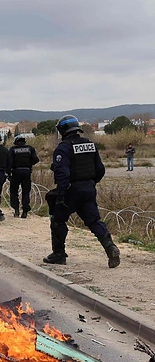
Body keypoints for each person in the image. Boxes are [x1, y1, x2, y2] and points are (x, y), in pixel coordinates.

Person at [43, 115, 120, 268]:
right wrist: (90, 183)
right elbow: (100, 169)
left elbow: (63, 174)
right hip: (89, 189)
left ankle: (59, 254)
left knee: (58, 220)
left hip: (71, 190)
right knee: (94, 221)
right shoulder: (90, 145)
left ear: (63, 130)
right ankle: (110, 247)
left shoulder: (63, 148)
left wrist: (61, 196)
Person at [7, 135, 39, 217]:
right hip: (26, 172)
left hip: (16, 172)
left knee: (14, 191)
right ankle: (25, 211)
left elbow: (9, 162)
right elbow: (36, 160)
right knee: (26, 191)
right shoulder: (30, 148)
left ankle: (16, 210)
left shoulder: (13, 149)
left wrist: (8, 173)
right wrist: (29, 164)